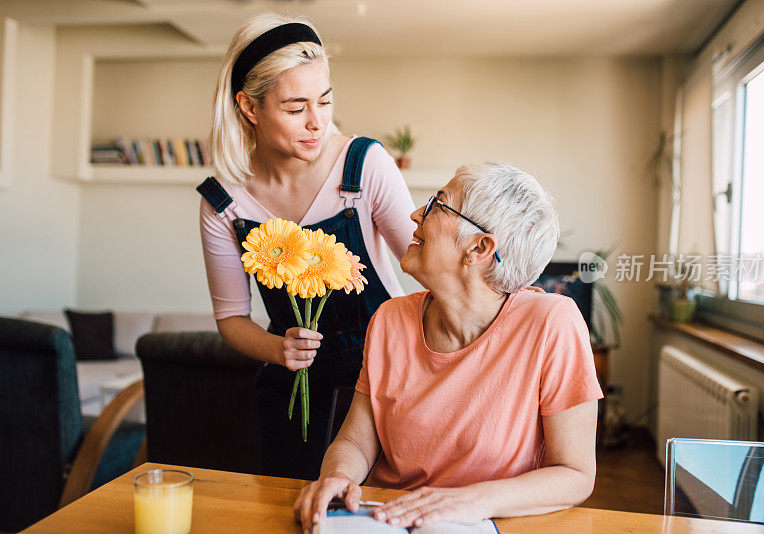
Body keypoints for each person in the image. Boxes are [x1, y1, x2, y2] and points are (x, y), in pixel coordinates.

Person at [293, 161, 604, 532]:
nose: (414, 214)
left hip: (484, 524)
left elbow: (575, 473)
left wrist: (469, 501)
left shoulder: (551, 323)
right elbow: (356, 442)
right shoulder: (390, 320)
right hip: (384, 519)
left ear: (479, 247)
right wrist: (338, 476)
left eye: (437, 205)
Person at [197, 13, 415, 480]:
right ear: (249, 107)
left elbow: (425, 266)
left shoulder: (365, 166)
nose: (317, 123)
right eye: (296, 108)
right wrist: (279, 351)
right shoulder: (223, 202)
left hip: (382, 379)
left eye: (325, 101)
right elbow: (232, 320)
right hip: (293, 390)